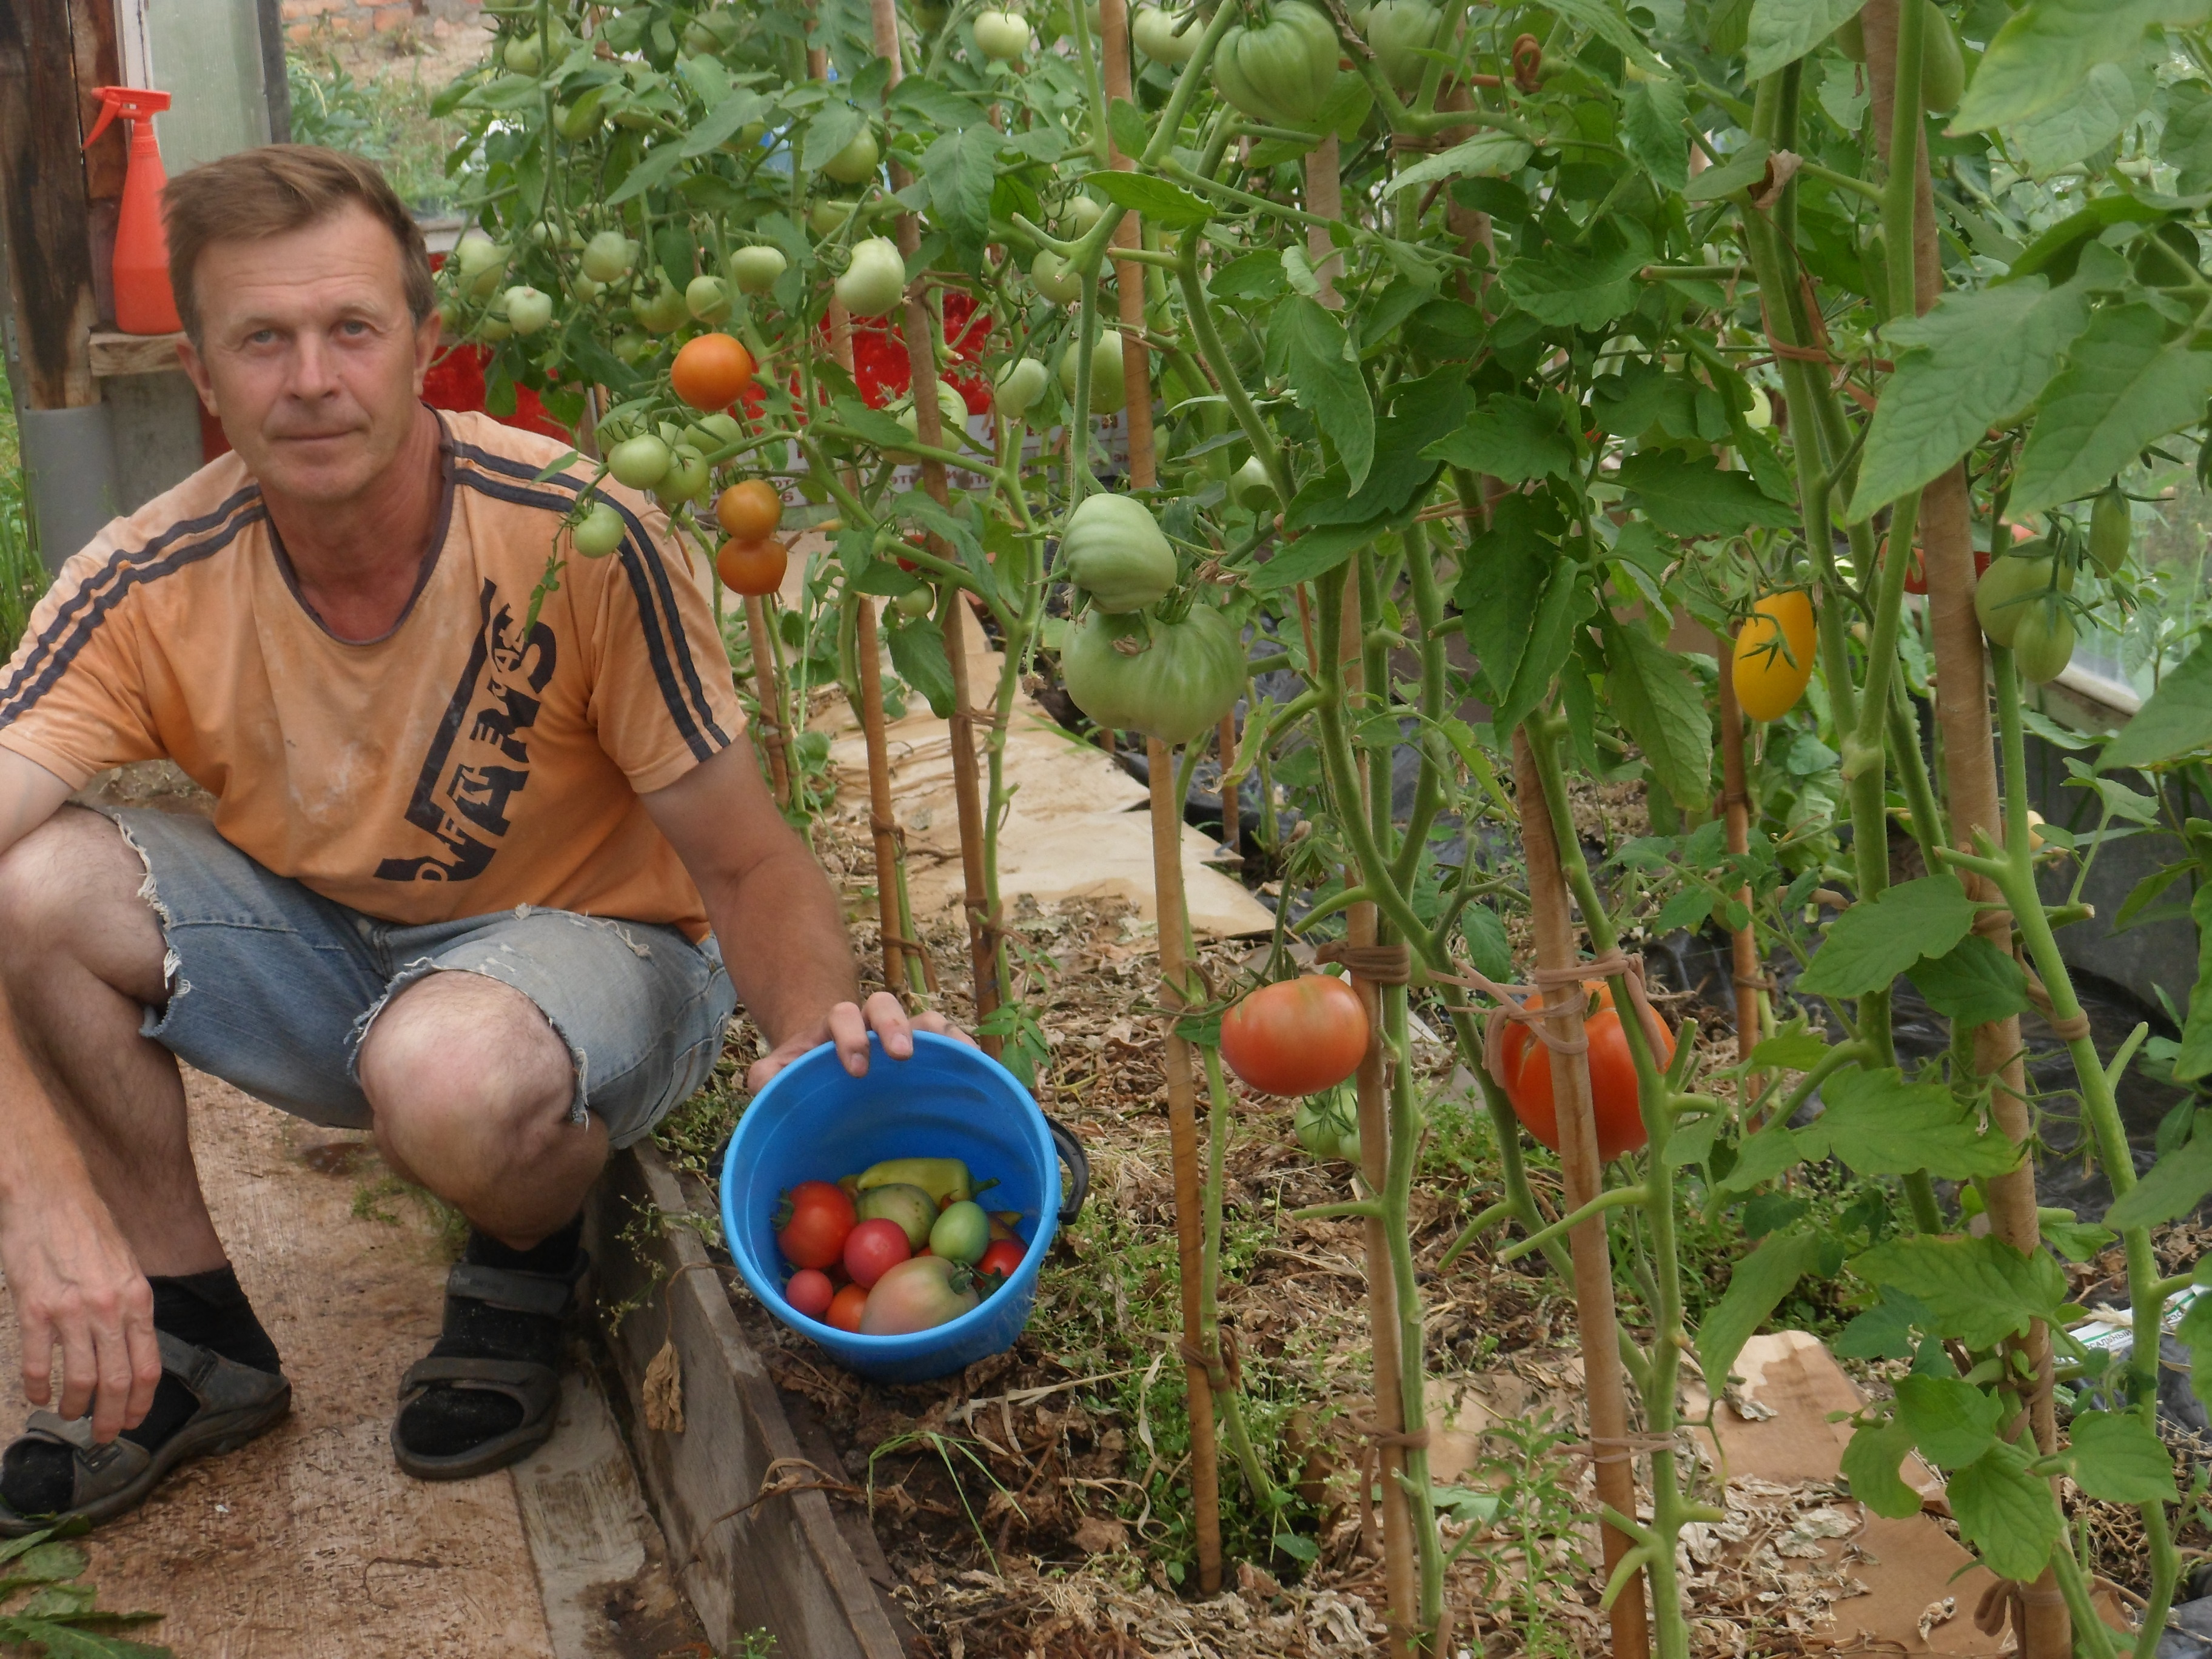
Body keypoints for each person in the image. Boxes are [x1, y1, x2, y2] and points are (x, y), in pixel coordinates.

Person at [0, 145, 945, 1530]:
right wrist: (41, 1205)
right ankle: (195, 1338)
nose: (310, 379)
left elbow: (740, 856)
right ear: (204, 372)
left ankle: (523, 1251)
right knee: (33, 885)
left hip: (605, 953)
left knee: (442, 1068)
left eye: (351, 330)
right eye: (261, 339)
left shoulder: (580, 536)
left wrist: (829, 1110)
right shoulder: (147, 578)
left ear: (424, 346)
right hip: (334, 949)